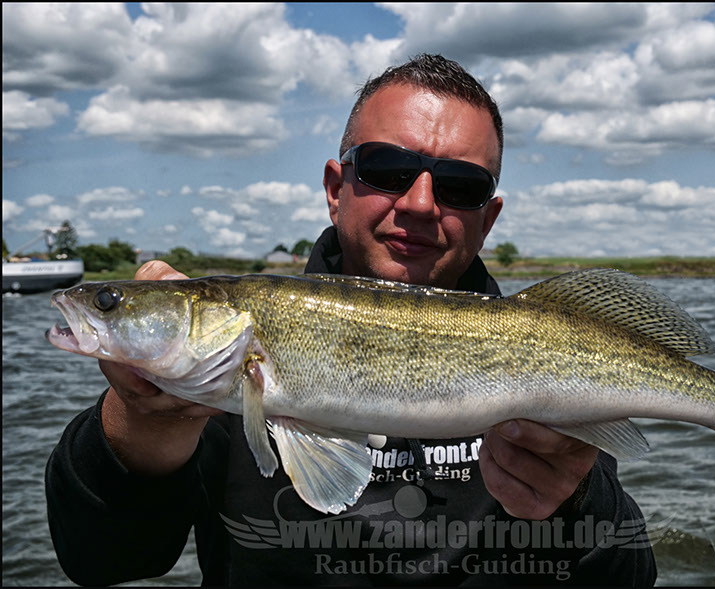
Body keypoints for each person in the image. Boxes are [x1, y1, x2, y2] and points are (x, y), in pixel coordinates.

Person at [46, 54, 657, 586]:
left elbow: (631, 575)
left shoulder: (548, 343)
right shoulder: (212, 385)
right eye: (388, 170)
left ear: (488, 218)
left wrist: (577, 501)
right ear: (336, 187)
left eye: (460, 185)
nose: (419, 203)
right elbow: (101, 563)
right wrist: (141, 422)